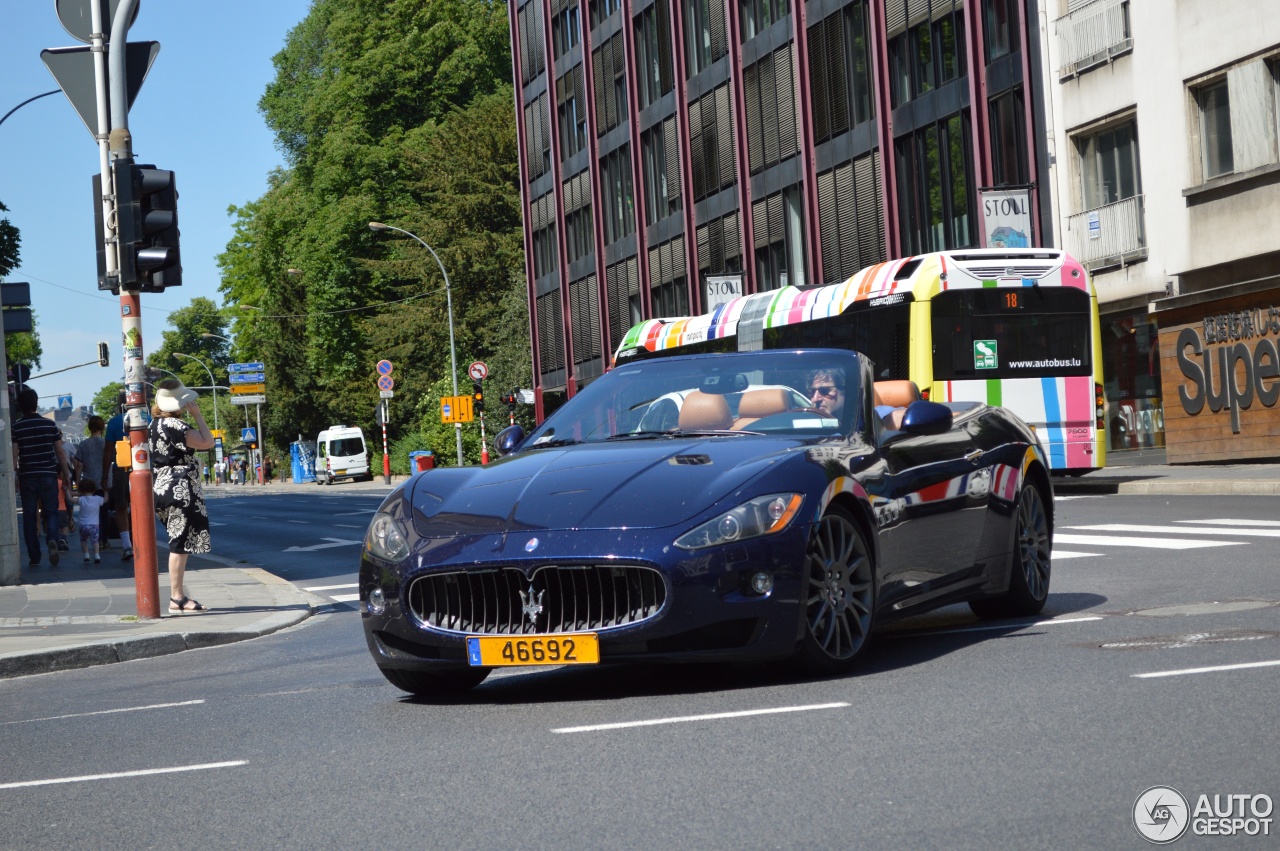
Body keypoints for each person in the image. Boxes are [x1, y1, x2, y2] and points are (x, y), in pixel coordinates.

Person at [149, 380, 215, 613]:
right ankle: (177, 597)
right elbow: (207, 442)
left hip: (161, 486)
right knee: (179, 543)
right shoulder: (176, 425)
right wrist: (197, 416)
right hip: (180, 488)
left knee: (178, 540)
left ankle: (178, 596)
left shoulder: (153, 425)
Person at [11, 387, 72, 568]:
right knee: (51, 510)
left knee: (29, 515)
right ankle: (52, 539)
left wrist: (15, 476)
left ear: (20, 407)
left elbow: (15, 455)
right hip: (48, 475)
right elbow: (60, 452)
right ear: (36, 404)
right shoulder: (49, 425)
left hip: (27, 476)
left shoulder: (17, 428)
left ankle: (34, 556)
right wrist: (66, 474)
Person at [101, 391, 133, 560]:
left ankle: (127, 545)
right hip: (143, 469)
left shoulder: (114, 423)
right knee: (141, 506)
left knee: (121, 506)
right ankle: (144, 540)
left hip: (121, 468)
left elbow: (107, 452)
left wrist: (104, 476)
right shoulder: (146, 419)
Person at [76, 476, 105, 564]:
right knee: (95, 541)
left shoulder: (81, 499)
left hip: (83, 525)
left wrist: (66, 491)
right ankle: (96, 555)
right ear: (93, 489)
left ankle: (86, 555)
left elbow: (70, 499)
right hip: (94, 526)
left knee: (84, 540)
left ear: (80, 490)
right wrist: (106, 490)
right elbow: (106, 500)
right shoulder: (97, 499)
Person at [73, 415, 106, 487]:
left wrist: (78, 482)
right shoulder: (107, 443)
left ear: (89, 428)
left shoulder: (83, 444)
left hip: (89, 484)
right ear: (102, 427)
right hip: (106, 482)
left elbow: (79, 465)